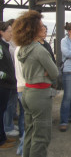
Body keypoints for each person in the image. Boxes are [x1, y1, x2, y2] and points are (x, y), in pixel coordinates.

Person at [13, 10, 59, 157]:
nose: (42, 27)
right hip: (40, 94)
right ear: (33, 28)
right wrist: (44, 72)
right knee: (42, 135)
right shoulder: (39, 50)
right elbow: (55, 73)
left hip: (27, 92)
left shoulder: (23, 48)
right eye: (40, 25)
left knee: (30, 131)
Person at [0, 21, 17, 150]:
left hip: (7, 84)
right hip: (3, 85)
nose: (11, 34)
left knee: (3, 110)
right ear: (1, 32)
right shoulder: (1, 46)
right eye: (9, 31)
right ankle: (1, 141)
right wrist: (9, 77)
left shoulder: (5, 45)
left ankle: (3, 136)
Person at [14, 46, 26, 155]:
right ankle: (23, 151)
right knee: (31, 123)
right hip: (28, 87)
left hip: (20, 86)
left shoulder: (17, 49)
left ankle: (21, 147)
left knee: (25, 117)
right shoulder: (25, 49)